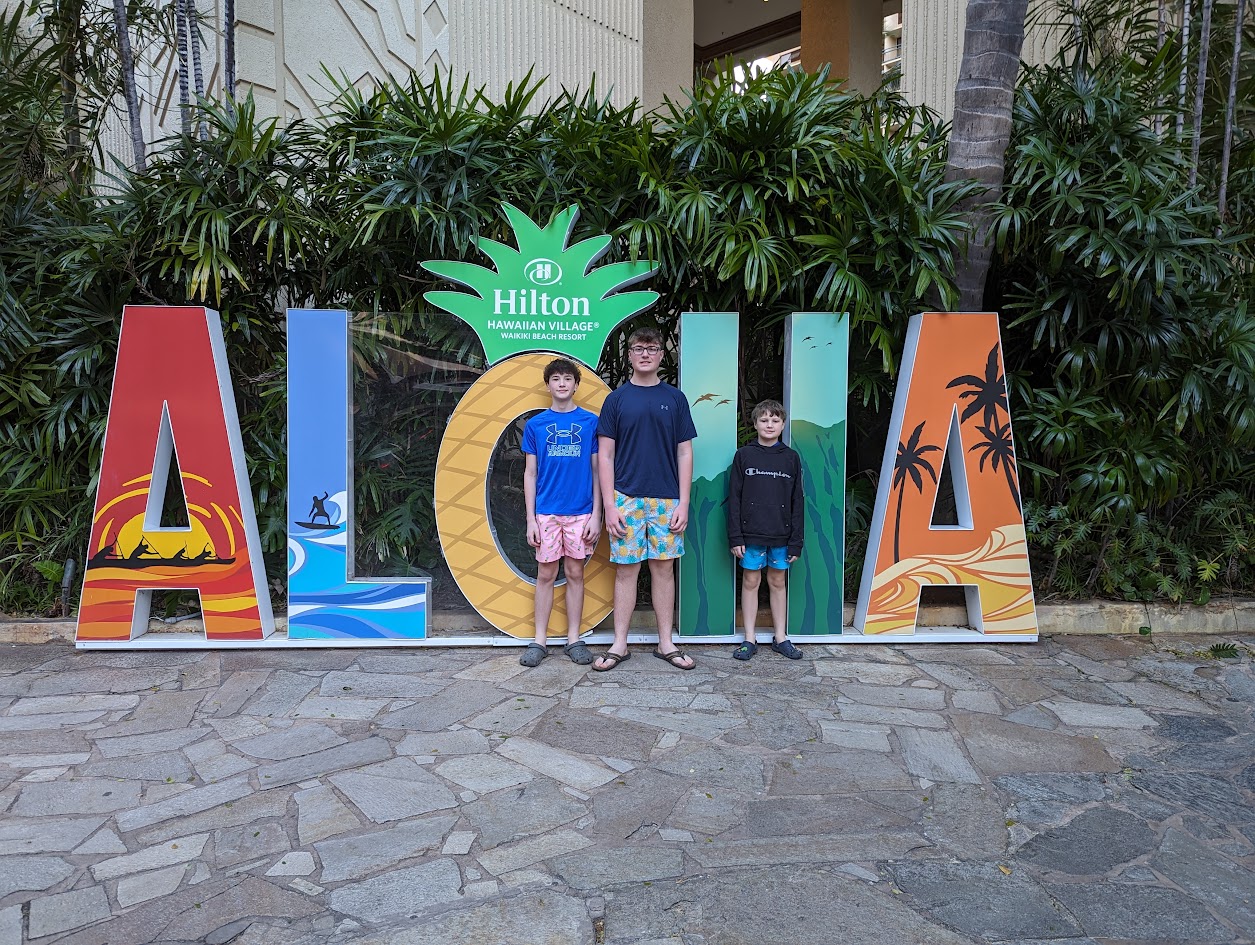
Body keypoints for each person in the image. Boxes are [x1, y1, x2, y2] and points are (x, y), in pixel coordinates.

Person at [593, 327, 698, 672]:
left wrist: (684, 501)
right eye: (638, 348)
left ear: (661, 355)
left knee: (664, 570)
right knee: (625, 571)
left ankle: (665, 642)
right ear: (629, 355)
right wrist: (609, 505)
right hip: (625, 498)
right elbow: (604, 456)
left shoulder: (676, 399)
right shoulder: (617, 400)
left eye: (652, 348)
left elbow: (685, 452)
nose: (645, 354)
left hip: (667, 500)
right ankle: (619, 644)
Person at [519, 357, 601, 667]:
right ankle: (538, 640)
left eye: (568, 378)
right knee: (545, 574)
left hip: (580, 513)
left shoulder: (590, 423)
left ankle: (573, 639)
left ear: (577, 385)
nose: (562, 383)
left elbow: (597, 470)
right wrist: (531, 519)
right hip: (547, 513)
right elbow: (529, 473)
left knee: (576, 573)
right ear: (548, 385)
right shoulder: (536, 425)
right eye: (556, 379)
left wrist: (596, 515)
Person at [727, 399, 805, 660]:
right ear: (755, 423)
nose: (769, 425)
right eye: (764, 420)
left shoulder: (791, 458)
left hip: (781, 535)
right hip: (751, 535)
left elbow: (798, 501)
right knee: (750, 581)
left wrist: (796, 541)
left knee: (777, 581)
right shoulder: (744, 456)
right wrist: (735, 535)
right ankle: (749, 638)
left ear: (783, 425)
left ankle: (780, 636)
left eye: (775, 420)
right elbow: (734, 498)